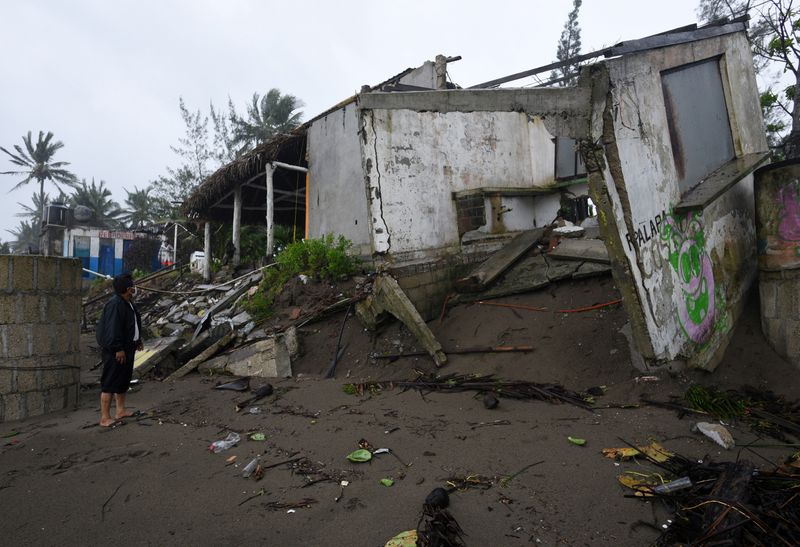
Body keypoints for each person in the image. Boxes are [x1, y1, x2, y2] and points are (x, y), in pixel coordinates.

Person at [96, 273, 143, 427]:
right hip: (116, 350)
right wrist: (117, 348)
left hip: (128, 347)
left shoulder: (127, 302)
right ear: (128, 289)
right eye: (132, 286)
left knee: (123, 380)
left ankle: (120, 410)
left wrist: (137, 340)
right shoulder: (115, 304)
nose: (134, 289)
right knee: (110, 381)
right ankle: (104, 417)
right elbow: (112, 329)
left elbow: (131, 324)